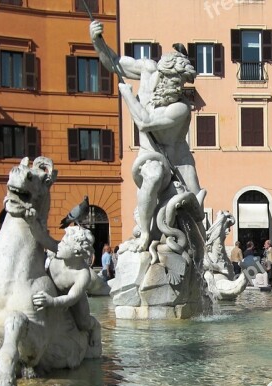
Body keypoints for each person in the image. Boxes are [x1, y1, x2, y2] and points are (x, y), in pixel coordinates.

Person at [90, 20, 202, 254]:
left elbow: (145, 121)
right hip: (150, 154)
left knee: (197, 213)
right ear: (162, 73)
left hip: (179, 160)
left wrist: (127, 96)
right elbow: (115, 63)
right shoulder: (147, 70)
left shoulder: (180, 107)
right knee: (152, 177)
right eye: (173, 80)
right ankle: (144, 234)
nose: (176, 87)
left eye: (180, 84)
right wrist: (97, 41)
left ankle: (208, 265)